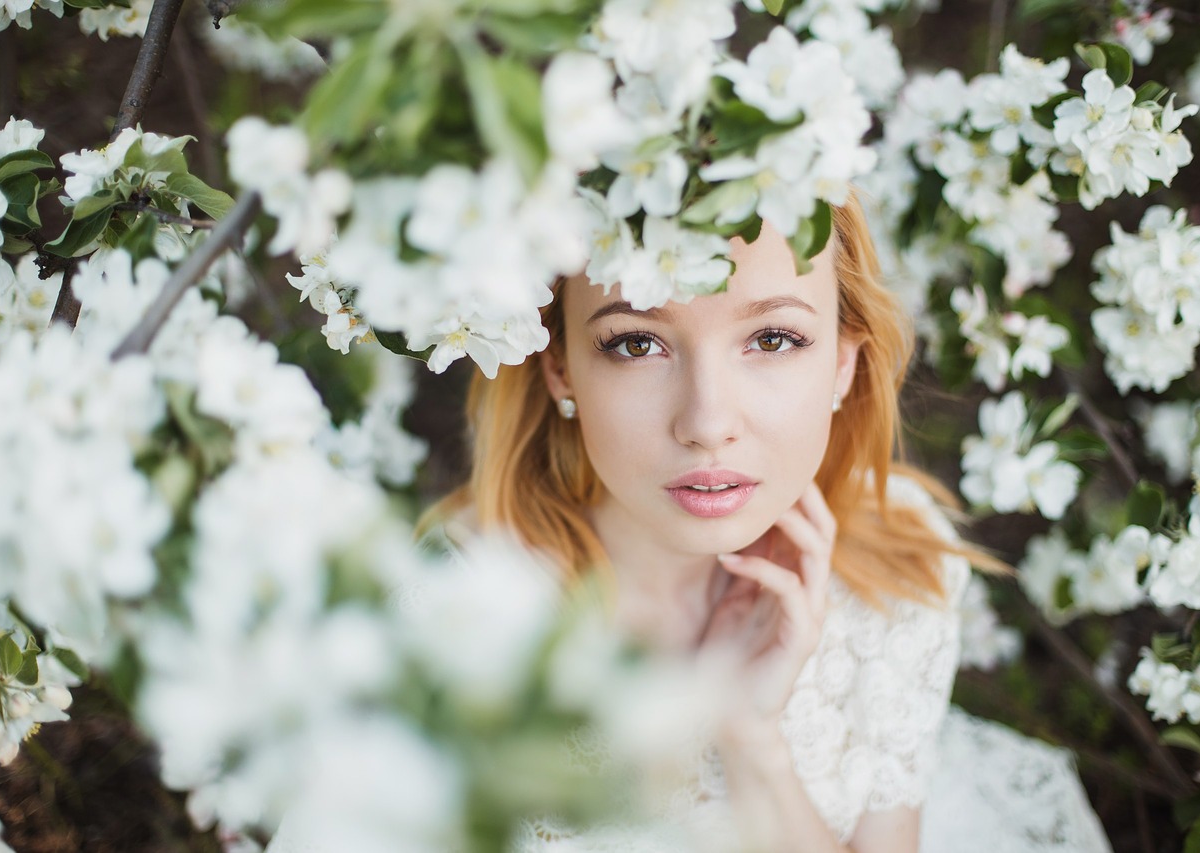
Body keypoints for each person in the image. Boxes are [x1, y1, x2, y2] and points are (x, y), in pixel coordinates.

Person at [421, 193, 1114, 852]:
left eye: (774, 338)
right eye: (635, 343)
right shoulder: (458, 618)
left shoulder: (893, 575)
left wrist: (751, 739)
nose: (708, 423)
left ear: (844, 362)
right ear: (559, 365)